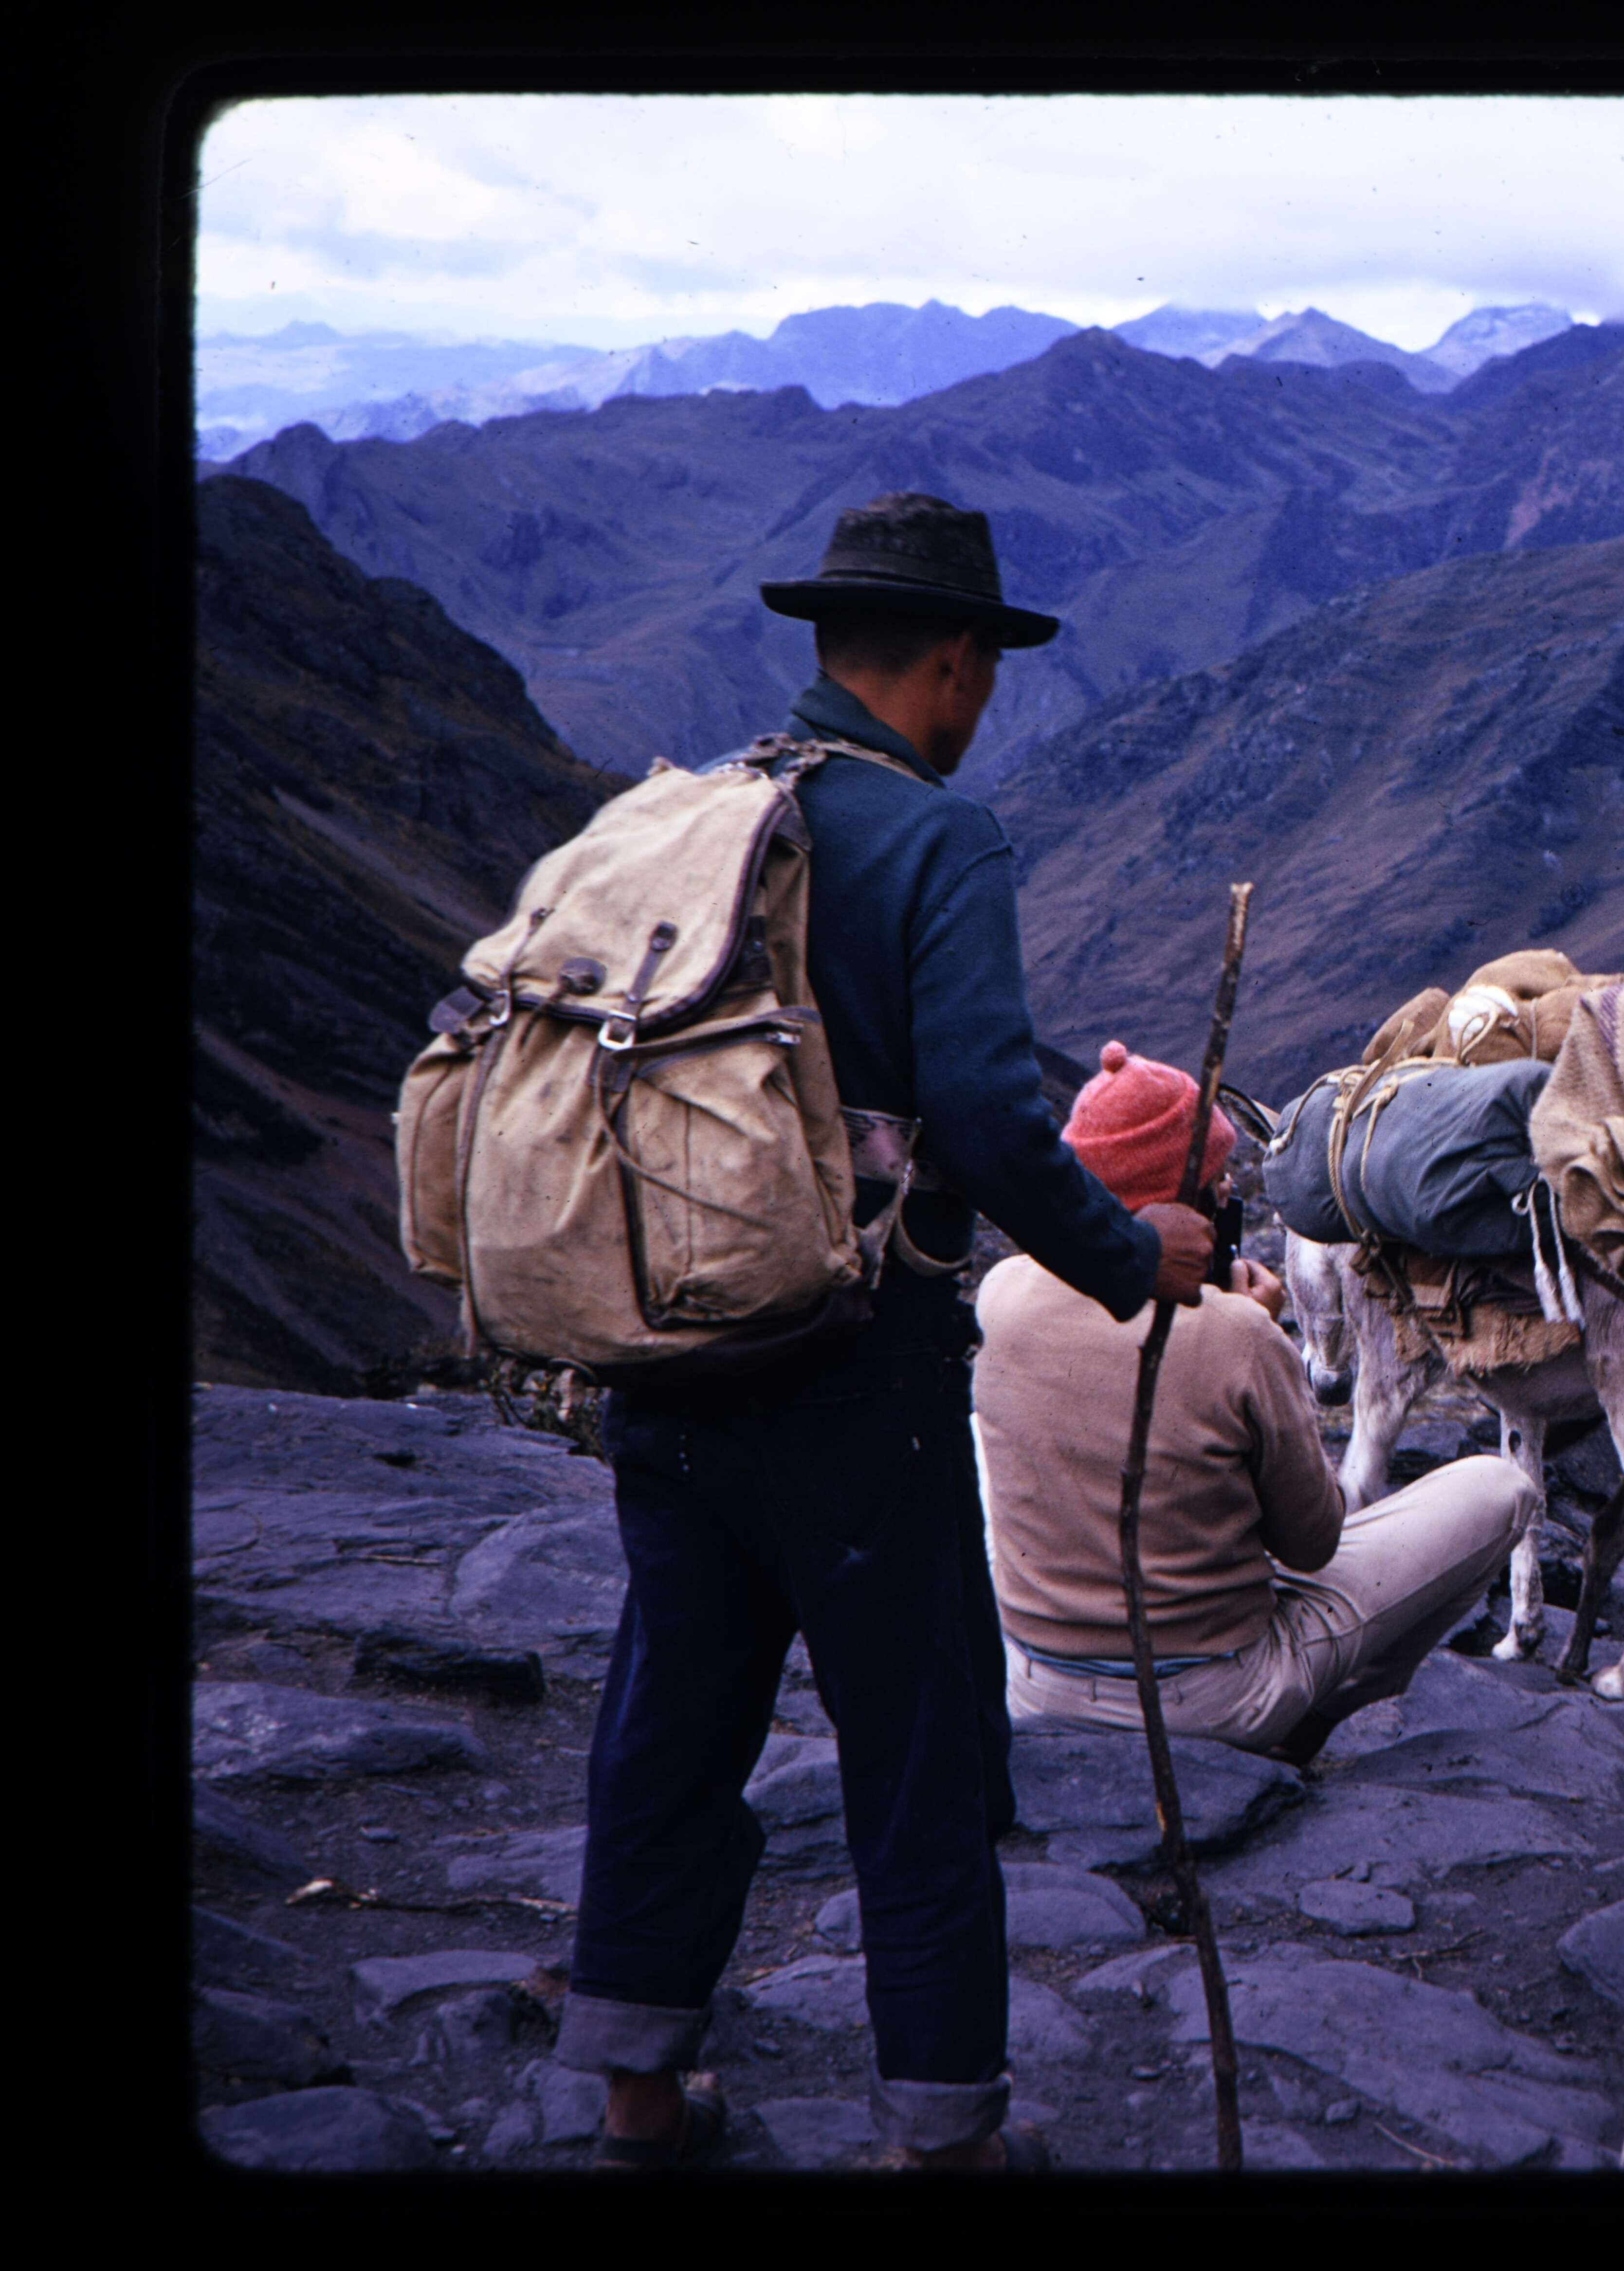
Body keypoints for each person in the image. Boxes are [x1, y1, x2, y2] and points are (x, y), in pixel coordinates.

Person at [556, 493, 1217, 2173]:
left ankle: (637, 2093)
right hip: (855, 1375)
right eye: (980, 672)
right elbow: (989, 1114)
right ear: (956, 663)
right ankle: (942, 2132)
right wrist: (1128, 1250)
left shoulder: (703, 811)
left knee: (674, 1715)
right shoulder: (938, 840)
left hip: (665, 1345)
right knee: (919, 1750)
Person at [973, 1046, 1540, 1764]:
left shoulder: (1003, 1291)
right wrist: (1260, 1335)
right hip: (1213, 1701)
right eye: (1215, 1180)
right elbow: (1313, 1543)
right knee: (1501, 1489)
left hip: (1035, 1686)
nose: (1226, 1193)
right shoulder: (1237, 1334)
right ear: (1183, 1207)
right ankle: (1316, 1721)